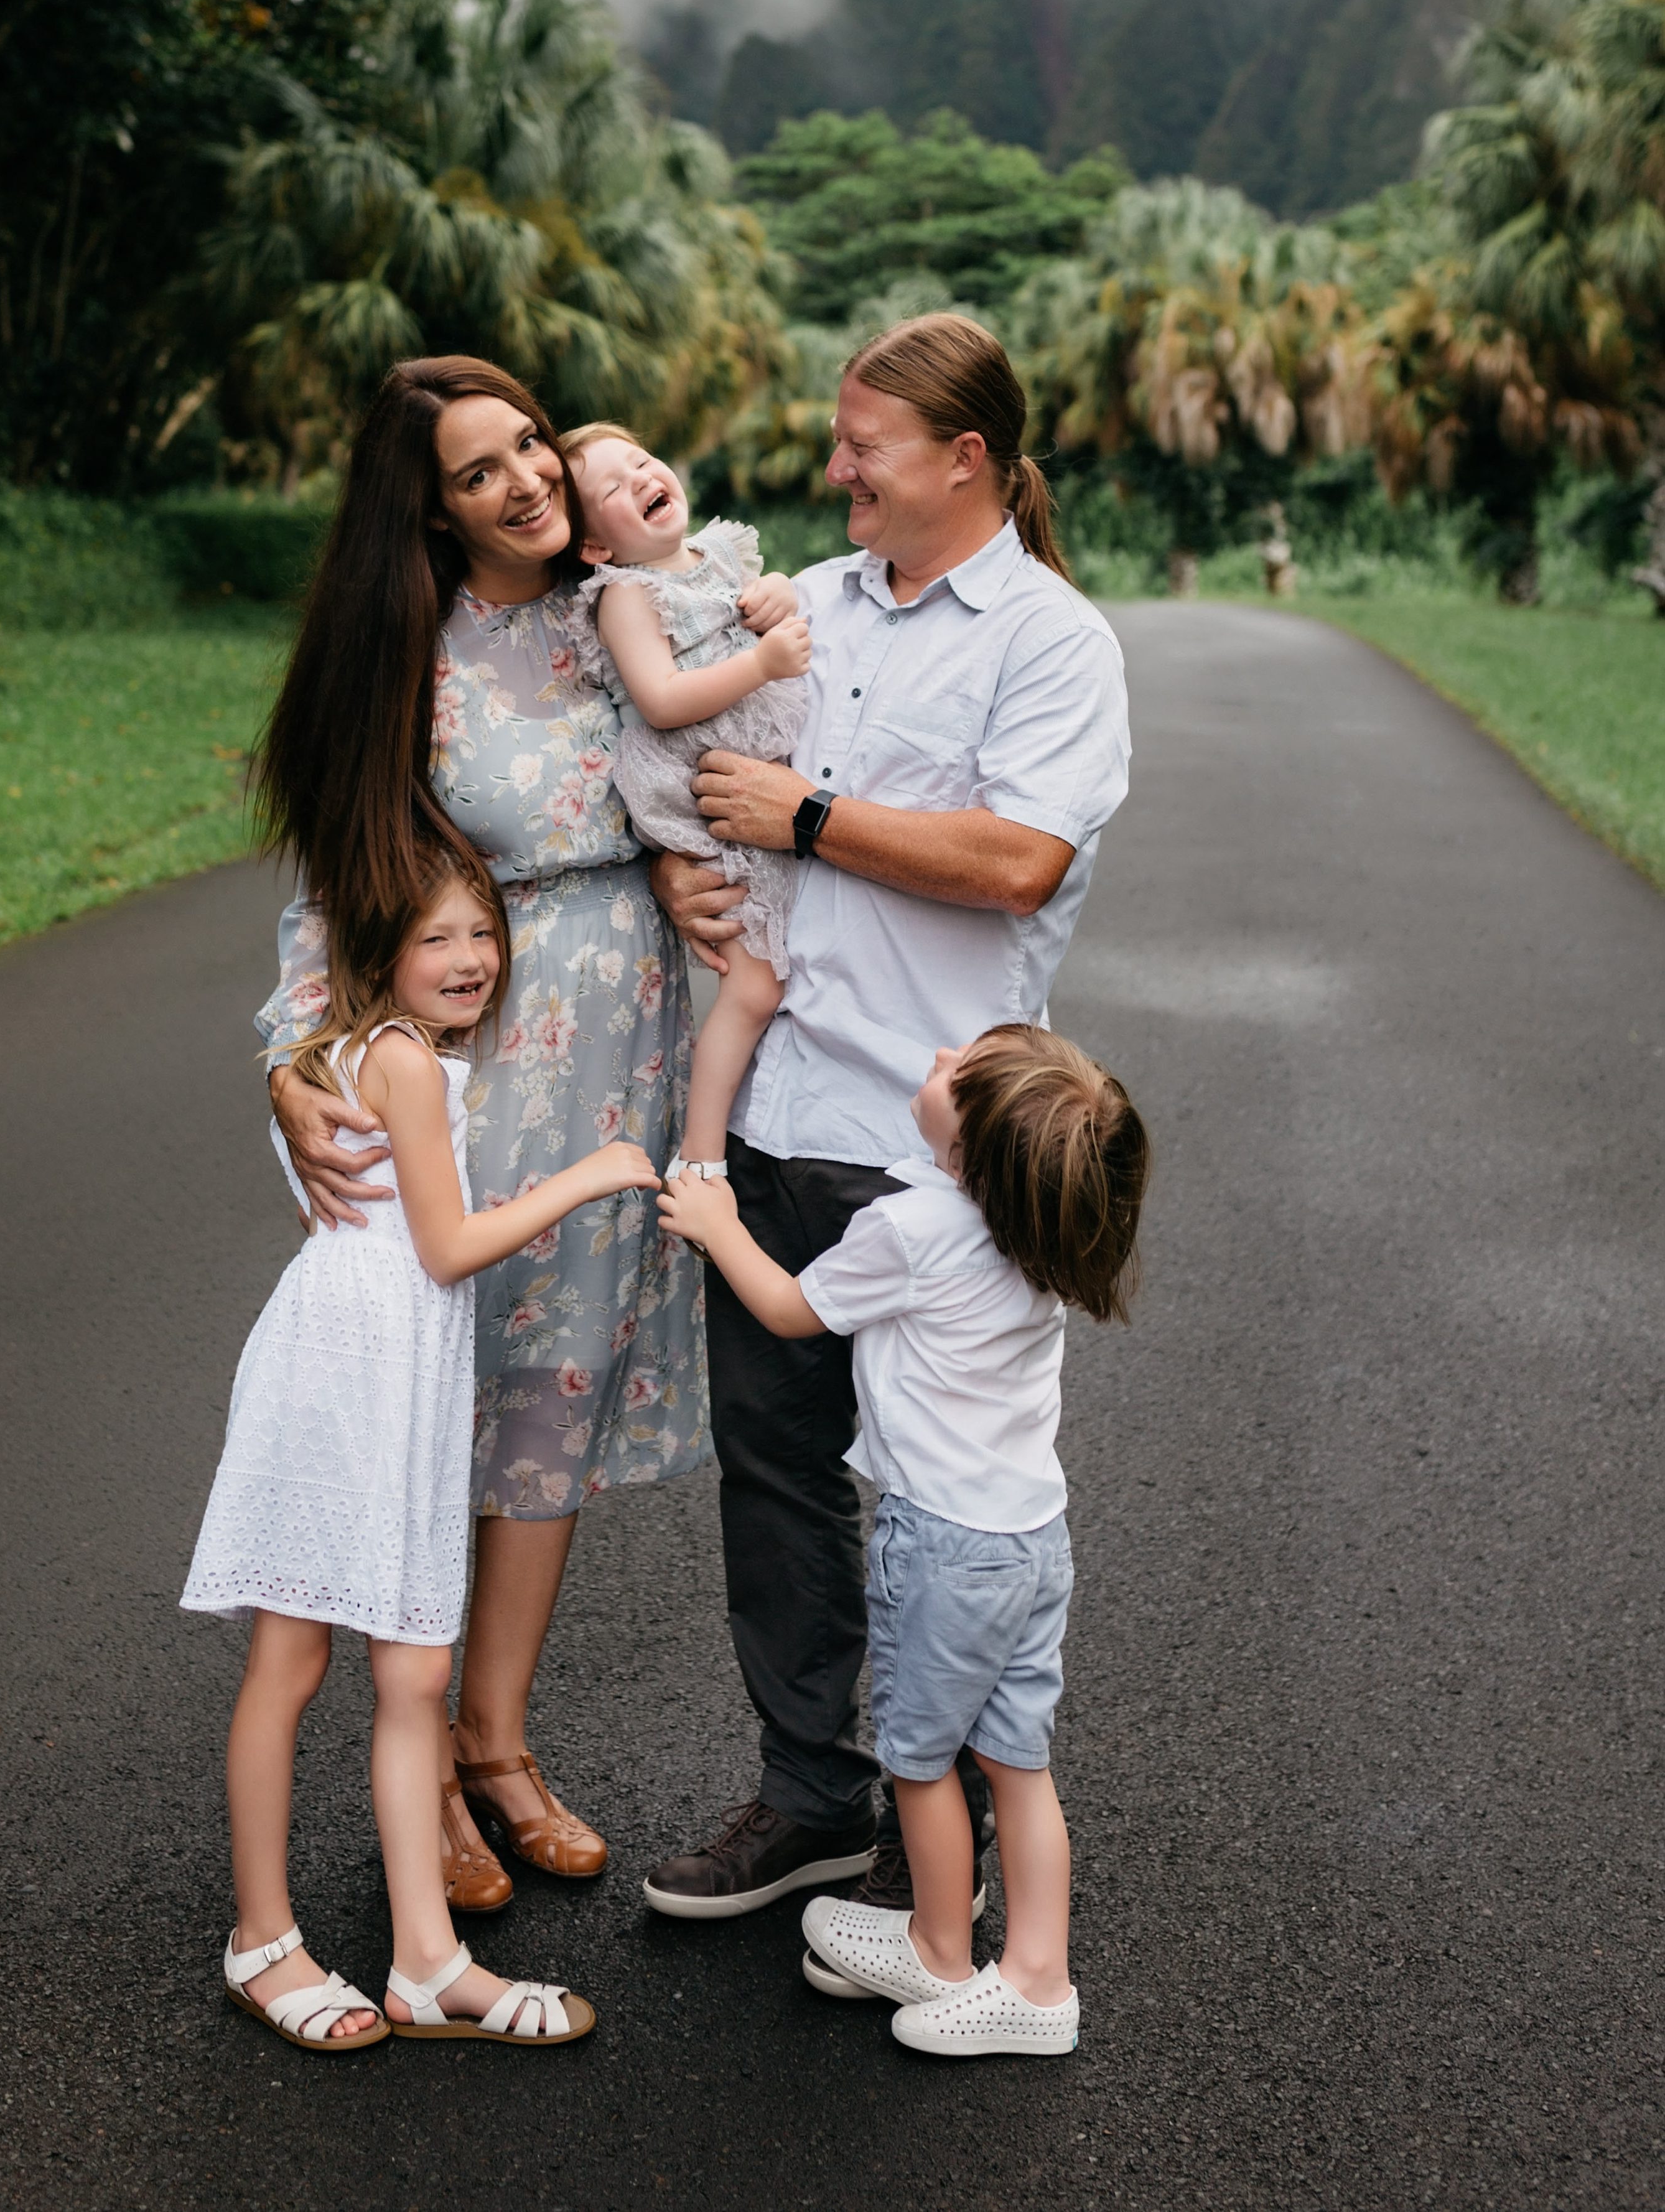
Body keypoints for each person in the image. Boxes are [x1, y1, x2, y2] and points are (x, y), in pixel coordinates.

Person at [641, 312, 1132, 1946]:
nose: (833, 465)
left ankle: (965, 1834)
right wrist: (694, 861)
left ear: (964, 460)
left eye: (865, 443)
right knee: (774, 1476)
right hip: (769, 1107)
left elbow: (1018, 862)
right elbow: (688, 753)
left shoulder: (1050, 639)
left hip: (930, 1137)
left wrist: (815, 821)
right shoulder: (811, 611)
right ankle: (808, 1794)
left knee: (942, 1498)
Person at [252, 358, 755, 1910]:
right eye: (478, 470)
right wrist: (294, 1061)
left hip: (630, 1055)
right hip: (479, 1073)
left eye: (530, 444)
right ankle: (418, 1746)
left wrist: (682, 865)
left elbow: (731, 739)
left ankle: (494, 1738)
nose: (524, 480)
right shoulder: (406, 658)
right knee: (440, 1399)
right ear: (429, 503)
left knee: (549, 1411)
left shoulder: (625, 608)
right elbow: (335, 890)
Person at [185, 845, 655, 2046]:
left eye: (483, 936)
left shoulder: (373, 1055)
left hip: (399, 1375)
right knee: (289, 1666)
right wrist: (592, 1172)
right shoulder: (397, 1059)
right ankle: (263, 1940)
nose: (468, 961)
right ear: (380, 953)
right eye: (436, 939)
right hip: (345, 1379)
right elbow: (445, 1245)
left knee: (412, 1677)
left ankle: (426, 1962)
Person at [658, 1022, 1150, 2057]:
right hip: (1031, 1539)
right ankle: (1037, 1977)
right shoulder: (1048, 1234)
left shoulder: (914, 1228)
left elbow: (794, 1309)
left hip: (942, 1548)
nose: (935, 1060)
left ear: (969, 1150)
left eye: (954, 1077)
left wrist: (717, 1221)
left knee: (920, 1763)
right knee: (1019, 1763)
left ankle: (935, 1946)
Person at [563, 421, 812, 1170]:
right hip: (702, 787)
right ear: (595, 547)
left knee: (791, 965)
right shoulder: (624, 594)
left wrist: (777, 593)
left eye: (640, 461)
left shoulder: (723, 554)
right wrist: (765, 661)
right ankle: (702, 1155)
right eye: (611, 487)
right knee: (755, 985)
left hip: (765, 776)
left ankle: (766, 1124)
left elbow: (776, 601)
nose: (639, 477)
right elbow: (665, 698)